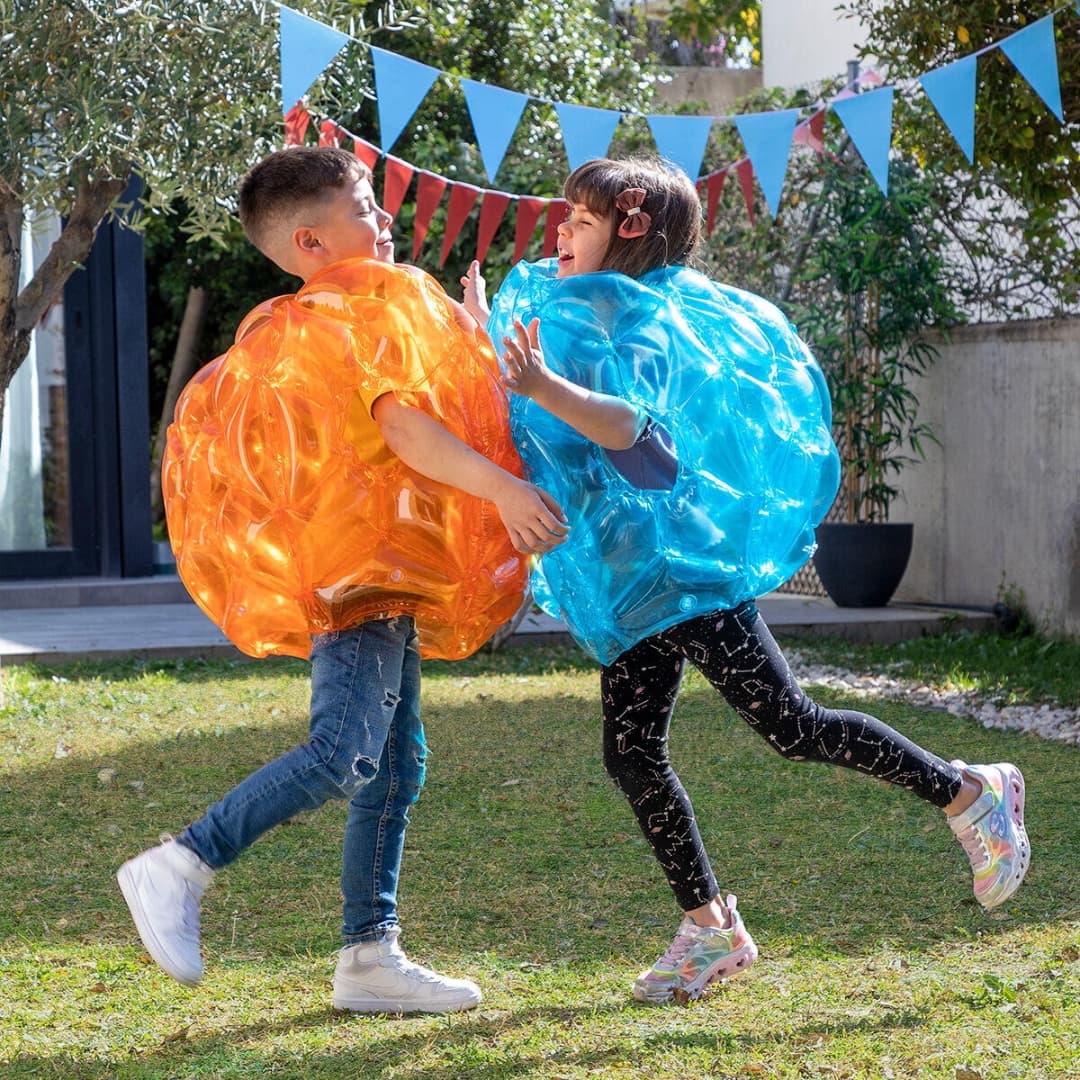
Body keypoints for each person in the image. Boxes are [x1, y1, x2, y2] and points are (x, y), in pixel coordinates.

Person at [463, 156, 1030, 1005]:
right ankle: (710, 929)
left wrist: (541, 380)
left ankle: (972, 793)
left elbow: (635, 435)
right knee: (631, 754)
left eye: (576, 223)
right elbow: (535, 417)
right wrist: (488, 339)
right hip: (633, 585)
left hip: (686, 570)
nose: (558, 236)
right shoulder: (571, 311)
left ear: (628, 230)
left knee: (792, 727)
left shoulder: (643, 326)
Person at [117, 146, 568, 1014]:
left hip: (374, 564)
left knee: (397, 763)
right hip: (360, 568)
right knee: (345, 752)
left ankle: (369, 957)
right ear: (313, 240)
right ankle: (180, 863)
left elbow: (422, 404)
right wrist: (505, 490)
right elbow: (403, 430)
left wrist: (475, 336)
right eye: (367, 204)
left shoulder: (341, 313)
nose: (388, 215)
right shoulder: (346, 317)